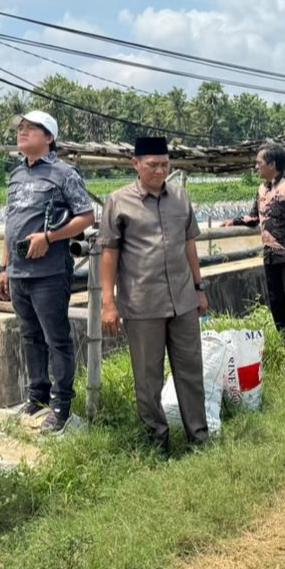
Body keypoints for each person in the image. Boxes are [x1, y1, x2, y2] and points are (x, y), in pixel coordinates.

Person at [100, 136, 209, 452]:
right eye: (152, 165)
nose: (160, 171)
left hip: (183, 300)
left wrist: (199, 288)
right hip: (142, 302)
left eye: (165, 164)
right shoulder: (118, 202)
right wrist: (109, 302)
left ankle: (198, 438)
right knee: (148, 379)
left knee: (190, 370)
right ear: (136, 164)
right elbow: (110, 252)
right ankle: (156, 442)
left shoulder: (180, 198)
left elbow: (189, 244)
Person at [0, 110, 95, 433]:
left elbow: (86, 216)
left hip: (49, 272)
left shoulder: (64, 173)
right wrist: (3, 268)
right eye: (20, 129)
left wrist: (49, 237)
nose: (21, 133)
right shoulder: (15, 176)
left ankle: (61, 405)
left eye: (30, 129)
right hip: (19, 272)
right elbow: (10, 225)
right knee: (29, 336)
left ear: (49, 137)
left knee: (56, 338)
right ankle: (36, 397)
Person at [222, 145, 285, 345]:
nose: (256, 167)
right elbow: (254, 216)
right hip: (270, 254)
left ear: (272, 164)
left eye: (259, 163)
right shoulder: (262, 189)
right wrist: (234, 222)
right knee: (276, 300)